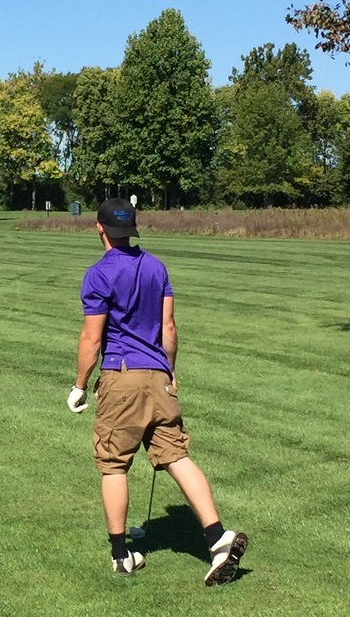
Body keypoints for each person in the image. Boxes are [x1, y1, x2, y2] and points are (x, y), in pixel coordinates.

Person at [67, 198, 248, 584]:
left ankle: (121, 556)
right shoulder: (156, 266)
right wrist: (170, 371)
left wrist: (79, 385)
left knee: (114, 463)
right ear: (132, 228)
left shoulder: (98, 274)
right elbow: (169, 328)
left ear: (99, 229)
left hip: (122, 377)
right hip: (158, 376)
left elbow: (91, 337)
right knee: (177, 456)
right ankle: (218, 538)